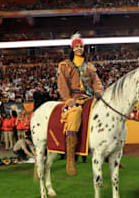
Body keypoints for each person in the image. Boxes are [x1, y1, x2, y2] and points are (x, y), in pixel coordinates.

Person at [57, 32, 104, 175]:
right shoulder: (65, 65)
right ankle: (70, 159)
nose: (79, 48)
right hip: (73, 98)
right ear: (72, 49)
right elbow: (62, 84)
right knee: (75, 115)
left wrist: (99, 91)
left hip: (89, 97)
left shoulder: (90, 67)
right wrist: (67, 98)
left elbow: (96, 82)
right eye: (76, 46)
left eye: (81, 46)